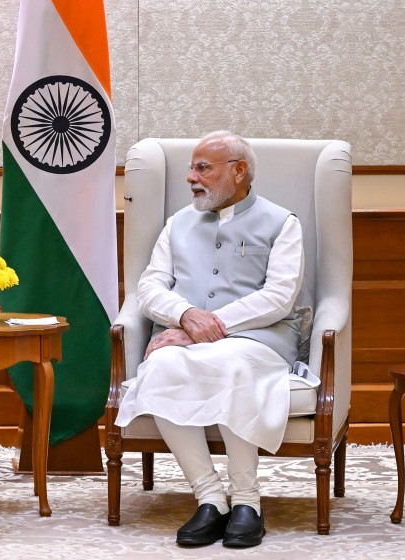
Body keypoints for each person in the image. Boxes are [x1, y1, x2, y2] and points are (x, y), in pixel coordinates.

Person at [115, 131, 306, 548]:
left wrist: (206, 325)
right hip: (185, 339)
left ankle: (248, 502)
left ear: (238, 171)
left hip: (260, 341)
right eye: (191, 167)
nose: (191, 177)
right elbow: (149, 288)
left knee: (231, 362)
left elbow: (278, 296)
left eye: (203, 167)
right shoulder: (177, 224)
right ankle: (210, 498)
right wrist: (185, 315)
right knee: (160, 366)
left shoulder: (282, 223)